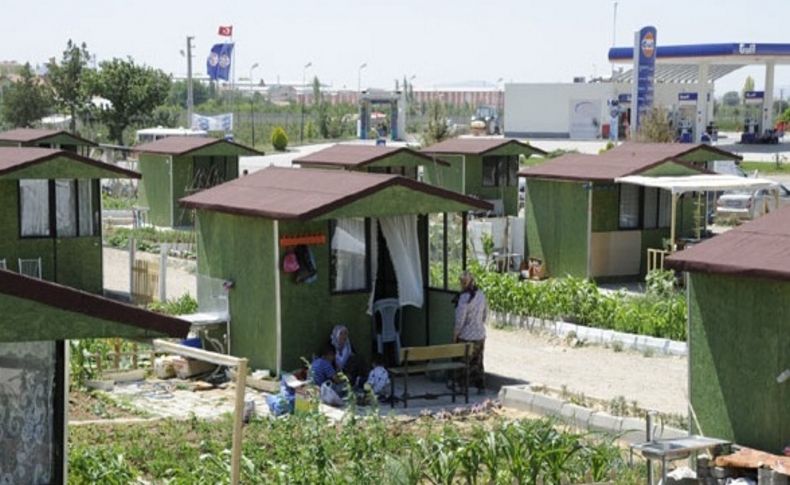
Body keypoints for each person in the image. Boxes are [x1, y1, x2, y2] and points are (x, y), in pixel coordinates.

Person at [453, 271, 488, 394]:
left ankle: (462, 387)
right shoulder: (481, 295)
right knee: (478, 362)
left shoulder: (463, 298)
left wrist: (455, 336)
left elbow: (459, 321)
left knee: (463, 363)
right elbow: (485, 315)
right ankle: (481, 387)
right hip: (480, 335)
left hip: (466, 336)